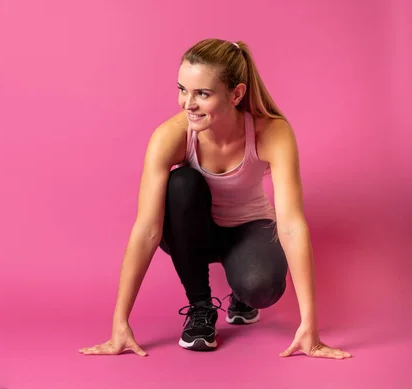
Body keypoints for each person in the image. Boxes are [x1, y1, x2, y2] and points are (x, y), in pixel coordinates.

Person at [79, 38, 351, 359]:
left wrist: (311, 328)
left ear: (235, 94)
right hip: (194, 233)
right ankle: (200, 309)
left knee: (261, 286)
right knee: (181, 184)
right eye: (182, 89)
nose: (187, 104)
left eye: (202, 94)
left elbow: (291, 225)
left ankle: (242, 294)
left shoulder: (272, 133)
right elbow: (148, 229)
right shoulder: (170, 136)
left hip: (249, 228)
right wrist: (119, 323)